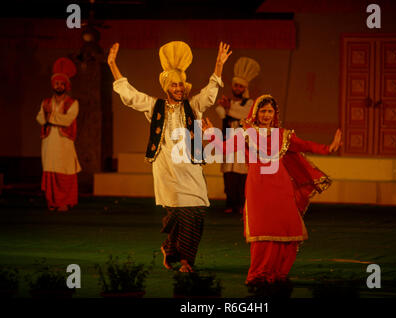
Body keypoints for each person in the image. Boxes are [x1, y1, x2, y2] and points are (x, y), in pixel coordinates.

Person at [108, 41, 232, 272]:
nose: (178, 88)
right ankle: (186, 261)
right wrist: (113, 65)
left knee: (196, 213)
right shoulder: (155, 107)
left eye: (181, 84)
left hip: (191, 169)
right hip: (167, 169)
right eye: (174, 85)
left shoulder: (193, 106)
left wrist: (218, 65)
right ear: (166, 87)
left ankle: (170, 247)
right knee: (180, 213)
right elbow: (130, 95)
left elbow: (210, 92)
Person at [203, 94, 342, 286]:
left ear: (275, 114)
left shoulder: (283, 135)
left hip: (281, 186)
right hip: (258, 187)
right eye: (263, 111)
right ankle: (258, 273)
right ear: (256, 112)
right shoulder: (246, 133)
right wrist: (210, 134)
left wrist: (328, 148)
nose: (267, 115)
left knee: (287, 229)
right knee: (262, 231)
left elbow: (306, 145)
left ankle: (278, 271)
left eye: (270, 111)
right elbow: (223, 148)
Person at [36, 57, 81, 212]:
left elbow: (67, 120)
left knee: (65, 171)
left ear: (66, 86)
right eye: (57, 83)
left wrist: (51, 118)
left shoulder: (72, 103)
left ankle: (65, 202)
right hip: (49, 142)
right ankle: (52, 202)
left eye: (62, 84)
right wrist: (49, 118)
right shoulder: (45, 102)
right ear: (53, 85)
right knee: (50, 171)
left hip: (64, 142)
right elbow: (40, 118)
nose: (59, 86)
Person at [215, 57, 260, 214]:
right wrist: (226, 109)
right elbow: (220, 112)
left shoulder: (249, 103)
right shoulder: (228, 102)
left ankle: (241, 205)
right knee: (229, 175)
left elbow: (244, 114)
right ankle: (230, 204)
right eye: (236, 85)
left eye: (241, 86)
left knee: (242, 176)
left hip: (243, 144)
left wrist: (228, 109)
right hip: (228, 142)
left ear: (244, 88)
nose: (238, 88)